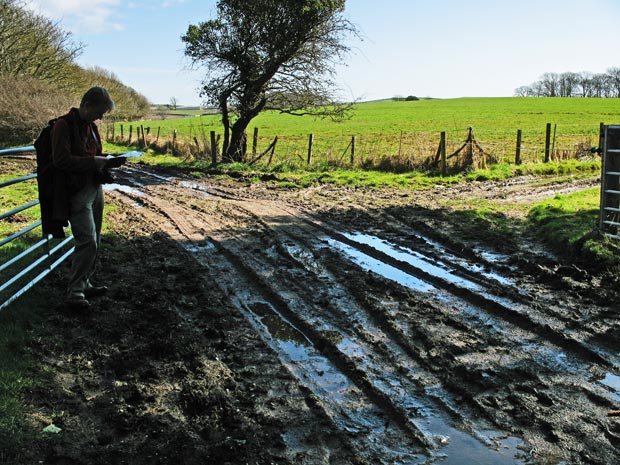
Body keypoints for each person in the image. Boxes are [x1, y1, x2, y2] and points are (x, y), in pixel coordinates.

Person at [51, 86, 126, 309]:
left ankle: (84, 283)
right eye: (99, 111)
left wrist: (107, 164)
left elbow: (93, 155)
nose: (101, 117)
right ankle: (74, 294)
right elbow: (61, 160)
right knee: (87, 240)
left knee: (96, 239)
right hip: (76, 192)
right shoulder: (62, 126)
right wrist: (94, 163)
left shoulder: (91, 127)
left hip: (94, 188)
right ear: (86, 105)